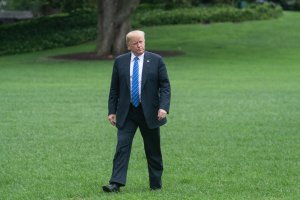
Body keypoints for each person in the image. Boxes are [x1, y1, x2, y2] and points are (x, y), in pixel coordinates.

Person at [102, 30, 171, 192]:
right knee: (122, 147)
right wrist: (112, 111)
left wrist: (163, 107)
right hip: (127, 113)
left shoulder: (156, 60)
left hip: (151, 113)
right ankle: (115, 183)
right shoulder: (120, 62)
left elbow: (165, 87)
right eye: (135, 43)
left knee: (153, 149)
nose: (139, 45)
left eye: (141, 42)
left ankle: (156, 184)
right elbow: (114, 89)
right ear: (128, 46)